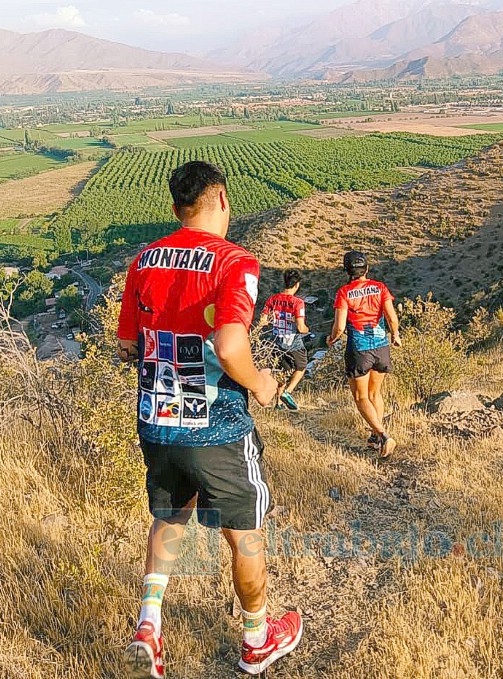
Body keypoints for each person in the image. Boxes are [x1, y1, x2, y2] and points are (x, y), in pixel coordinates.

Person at [117, 161, 303, 678]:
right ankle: (258, 640)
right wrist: (261, 383)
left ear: (176, 210)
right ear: (221, 200)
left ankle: (148, 627)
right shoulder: (235, 262)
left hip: (156, 419)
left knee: (169, 516)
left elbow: (128, 345)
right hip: (216, 427)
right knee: (245, 534)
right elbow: (229, 343)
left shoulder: (144, 259)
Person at [327, 251, 401, 459]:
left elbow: (340, 326)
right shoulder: (380, 288)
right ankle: (375, 437)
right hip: (381, 346)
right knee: (375, 394)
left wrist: (331, 339)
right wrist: (395, 334)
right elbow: (391, 316)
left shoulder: (344, 292)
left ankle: (383, 435)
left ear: (347, 271)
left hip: (359, 349)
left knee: (360, 397)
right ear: (366, 269)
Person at [261, 269, 310, 411]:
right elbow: (301, 328)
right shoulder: (298, 303)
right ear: (297, 285)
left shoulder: (272, 299)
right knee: (301, 367)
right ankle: (287, 393)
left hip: (277, 341)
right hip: (293, 341)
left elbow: (263, 322)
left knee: (283, 370)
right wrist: (307, 329)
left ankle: (278, 404)